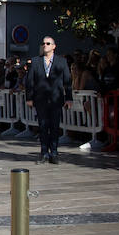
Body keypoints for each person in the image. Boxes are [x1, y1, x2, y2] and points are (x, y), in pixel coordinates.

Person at [26, 35, 72, 164]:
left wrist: (69, 98)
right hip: (40, 99)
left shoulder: (61, 62)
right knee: (43, 126)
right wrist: (29, 98)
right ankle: (44, 152)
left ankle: (55, 152)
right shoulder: (35, 61)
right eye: (43, 43)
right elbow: (30, 81)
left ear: (53, 46)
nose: (45, 45)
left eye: (48, 43)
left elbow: (67, 81)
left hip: (56, 99)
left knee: (55, 126)